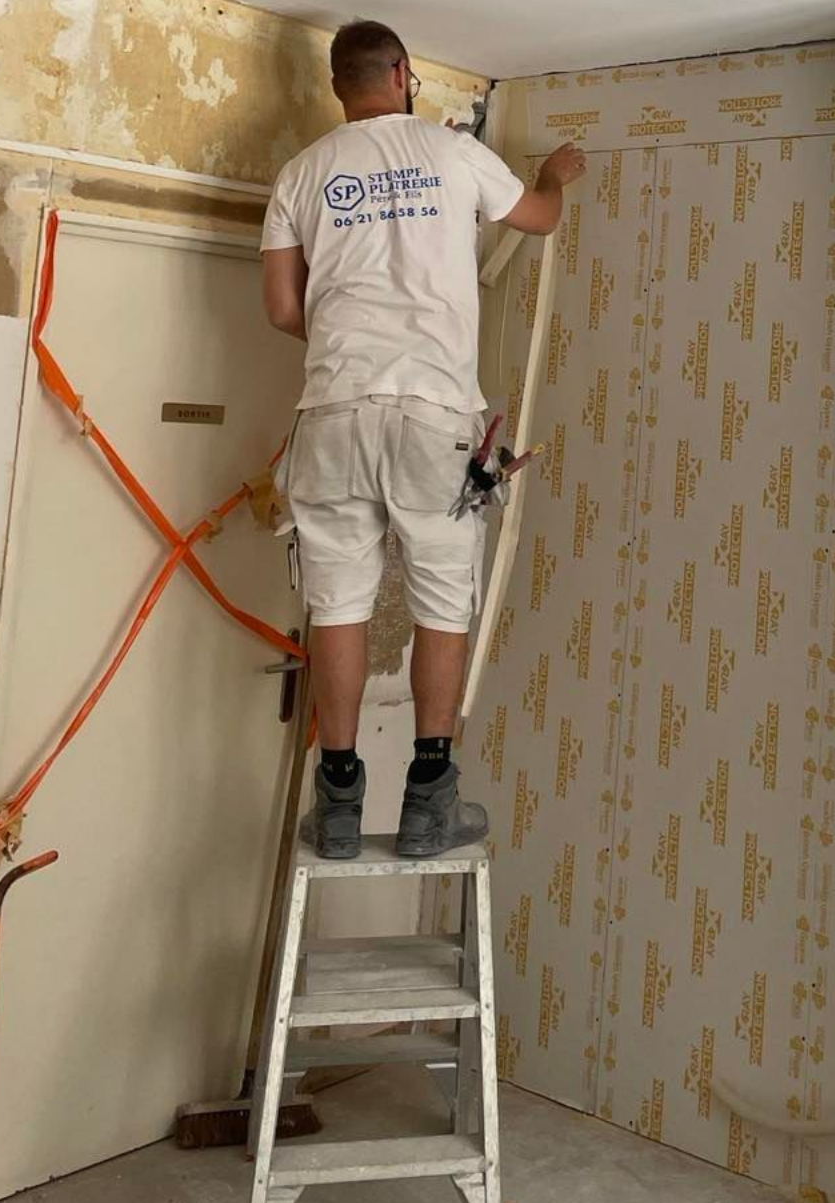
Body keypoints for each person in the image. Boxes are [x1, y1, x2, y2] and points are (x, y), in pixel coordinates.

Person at [261, 19, 585, 859]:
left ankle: (337, 801)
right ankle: (427, 801)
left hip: (331, 412)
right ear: (403, 74)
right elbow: (541, 218)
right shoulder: (452, 153)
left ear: (340, 87)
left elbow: (283, 309)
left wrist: (349, 354)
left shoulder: (301, 174)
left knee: (337, 604)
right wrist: (552, 174)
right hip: (433, 414)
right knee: (442, 603)